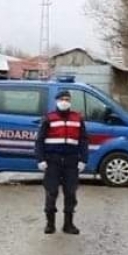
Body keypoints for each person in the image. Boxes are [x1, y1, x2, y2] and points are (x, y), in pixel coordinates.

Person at [34, 90, 89, 235]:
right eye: (62, 99)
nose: (65, 101)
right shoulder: (49, 118)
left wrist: (83, 159)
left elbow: (83, 140)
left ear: (70, 101)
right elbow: (39, 141)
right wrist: (41, 159)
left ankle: (68, 224)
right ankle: (50, 224)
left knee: (70, 193)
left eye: (67, 99)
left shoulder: (77, 118)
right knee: (51, 192)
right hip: (53, 161)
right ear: (57, 101)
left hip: (71, 161)